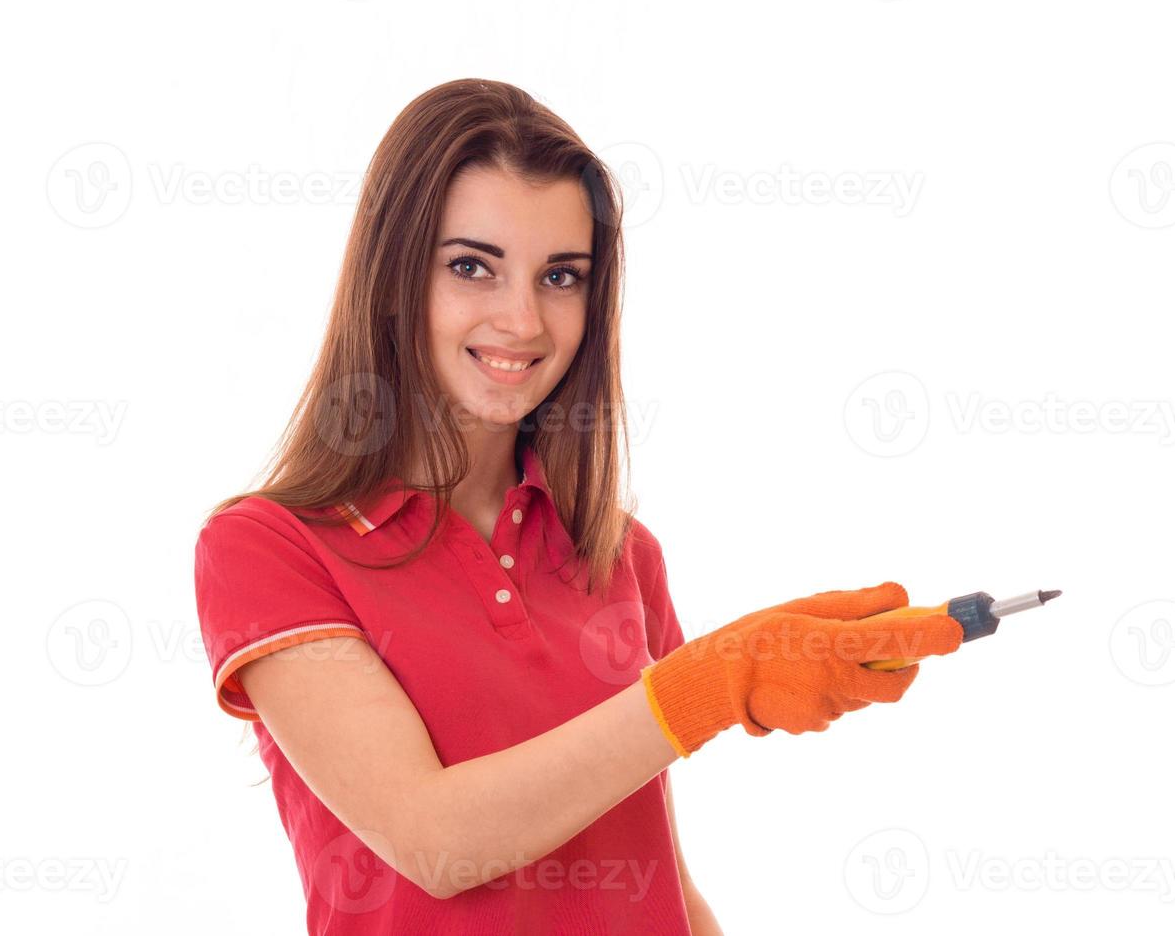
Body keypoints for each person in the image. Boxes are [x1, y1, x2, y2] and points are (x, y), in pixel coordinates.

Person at [192, 78, 962, 934]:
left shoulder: (621, 554)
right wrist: (714, 680)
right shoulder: (269, 549)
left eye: (561, 276)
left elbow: (660, 879)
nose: (522, 320)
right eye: (471, 266)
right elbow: (431, 836)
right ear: (393, 278)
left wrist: (726, 677)